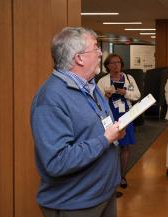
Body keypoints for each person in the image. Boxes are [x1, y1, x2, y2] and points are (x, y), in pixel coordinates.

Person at [30, 27, 125, 217]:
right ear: (79, 58)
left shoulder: (90, 86)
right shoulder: (50, 99)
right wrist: (105, 139)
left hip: (103, 193)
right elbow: (57, 161)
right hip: (75, 203)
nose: (100, 54)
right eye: (96, 48)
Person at [97, 54, 141, 191]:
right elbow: (96, 101)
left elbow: (137, 95)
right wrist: (106, 95)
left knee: (125, 146)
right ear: (107, 66)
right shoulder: (103, 81)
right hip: (109, 116)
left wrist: (125, 93)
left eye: (118, 62)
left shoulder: (129, 79)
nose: (116, 65)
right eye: (112, 63)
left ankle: (122, 175)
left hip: (126, 115)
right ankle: (111, 177)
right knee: (111, 147)